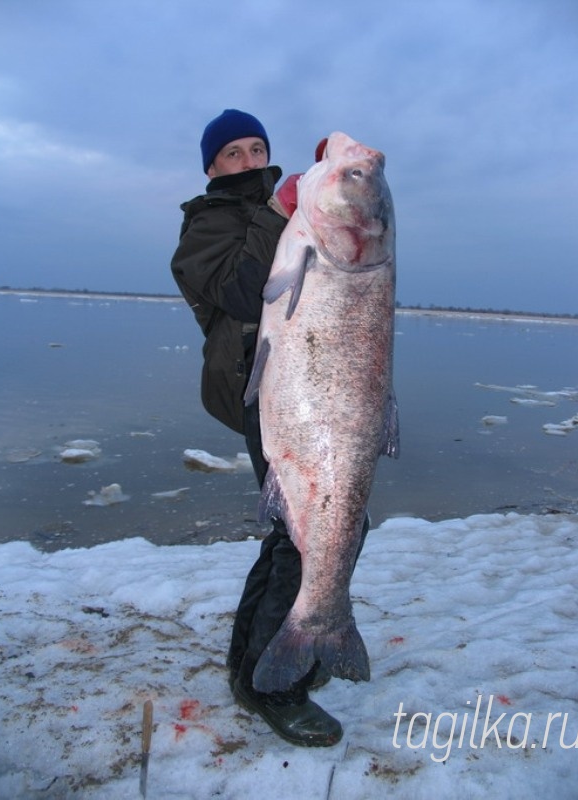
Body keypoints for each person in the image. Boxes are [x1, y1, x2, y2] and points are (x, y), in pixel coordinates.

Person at [170, 110, 355, 748]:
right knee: (308, 541)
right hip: (267, 397)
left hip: (316, 390)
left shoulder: (299, 209)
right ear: (212, 168)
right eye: (233, 154)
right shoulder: (205, 227)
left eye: (258, 149)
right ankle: (277, 684)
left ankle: (255, 667)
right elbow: (247, 292)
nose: (249, 160)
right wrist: (280, 210)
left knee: (292, 535)